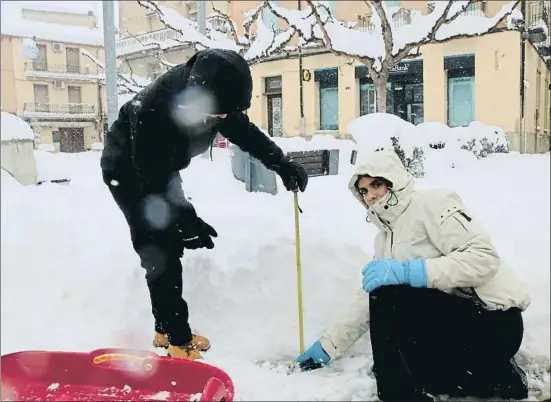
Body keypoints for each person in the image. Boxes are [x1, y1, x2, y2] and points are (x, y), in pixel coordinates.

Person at [100, 48, 308, 360]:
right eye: (218, 114)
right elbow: (152, 177)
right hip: (128, 171)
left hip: (162, 168)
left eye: (228, 113)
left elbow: (244, 132)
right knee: (159, 247)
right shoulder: (156, 109)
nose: (223, 120)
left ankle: (163, 328)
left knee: (171, 240)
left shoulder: (216, 94)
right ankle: (177, 339)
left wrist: (282, 164)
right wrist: (185, 214)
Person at [295, 150, 531, 401]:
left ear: (393, 181)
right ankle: (494, 377)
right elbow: (367, 300)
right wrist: (329, 346)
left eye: (376, 184)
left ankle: (397, 395)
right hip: (457, 326)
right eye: (363, 190)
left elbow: (483, 259)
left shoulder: (431, 204)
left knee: (390, 296)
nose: (371, 195)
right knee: (415, 358)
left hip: (495, 322)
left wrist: (412, 272)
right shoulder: (385, 239)